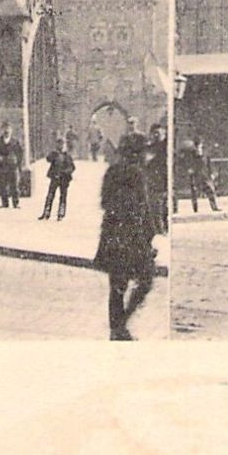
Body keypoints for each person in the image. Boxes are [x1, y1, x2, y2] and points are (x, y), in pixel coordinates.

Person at [94, 134, 161, 341]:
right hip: (134, 236)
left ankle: (117, 329)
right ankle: (120, 325)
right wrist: (151, 234)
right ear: (137, 153)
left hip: (113, 234)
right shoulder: (138, 174)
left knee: (117, 286)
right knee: (146, 280)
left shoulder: (112, 171)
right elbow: (143, 207)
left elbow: (104, 202)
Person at [39, 136, 75, 221]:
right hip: (55, 177)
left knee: (63, 196)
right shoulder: (54, 154)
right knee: (50, 195)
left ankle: (61, 213)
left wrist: (66, 172)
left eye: (62, 144)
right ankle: (46, 212)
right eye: (59, 144)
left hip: (64, 178)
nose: (61, 146)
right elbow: (48, 159)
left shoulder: (67, 155)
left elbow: (72, 167)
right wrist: (53, 153)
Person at [179, 139, 219, 213]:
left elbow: (209, 164)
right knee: (194, 192)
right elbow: (188, 163)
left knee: (210, 191)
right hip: (195, 175)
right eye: (197, 146)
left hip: (205, 175)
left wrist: (212, 173)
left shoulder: (205, 154)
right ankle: (195, 208)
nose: (198, 148)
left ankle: (214, 207)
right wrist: (190, 169)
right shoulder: (191, 155)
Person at [147, 123, 170, 232]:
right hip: (156, 182)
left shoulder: (166, 146)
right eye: (155, 133)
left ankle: (163, 229)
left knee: (165, 208)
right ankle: (161, 230)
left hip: (165, 180)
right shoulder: (150, 148)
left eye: (159, 133)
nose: (157, 135)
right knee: (157, 208)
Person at [0, 124, 23, 209]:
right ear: (2, 131)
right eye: (5, 130)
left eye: (8, 130)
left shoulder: (15, 141)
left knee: (14, 185)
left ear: (11, 131)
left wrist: (18, 162)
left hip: (12, 166)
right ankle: (5, 203)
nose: (6, 132)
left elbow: (20, 153)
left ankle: (16, 203)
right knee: (3, 185)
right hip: (2, 166)